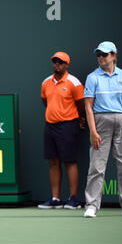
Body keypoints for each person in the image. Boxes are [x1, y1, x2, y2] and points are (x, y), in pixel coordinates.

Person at [83, 41, 122, 218]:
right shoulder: (92, 77)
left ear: (114, 55)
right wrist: (93, 131)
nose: (101, 58)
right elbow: (88, 106)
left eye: (104, 54)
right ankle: (92, 205)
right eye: (99, 55)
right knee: (96, 167)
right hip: (100, 123)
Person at [38, 52, 85, 210]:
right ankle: (55, 198)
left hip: (68, 125)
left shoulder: (74, 82)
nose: (57, 64)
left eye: (60, 62)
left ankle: (73, 199)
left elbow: (81, 104)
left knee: (69, 161)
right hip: (50, 125)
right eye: (55, 62)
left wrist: (78, 118)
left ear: (66, 65)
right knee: (53, 161)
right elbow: (46, 101)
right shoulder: (46, 82)